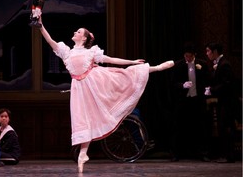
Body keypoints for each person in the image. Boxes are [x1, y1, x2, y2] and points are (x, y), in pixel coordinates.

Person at [38, 17, 174, 173]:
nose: (75, 32)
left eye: (79, 31)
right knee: (83, 119)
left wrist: (132, 61)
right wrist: (41, 25)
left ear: (84, 37)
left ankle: (155, 68)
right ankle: (83, 153)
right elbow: (50, 41)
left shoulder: (91, 52)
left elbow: (111, 59)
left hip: (96, 82)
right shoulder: (67, 53)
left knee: (124, 74)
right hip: (80, 90)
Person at [170, 42, 210, 161]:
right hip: (183, 100)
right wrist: (182, 85)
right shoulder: (178, 65)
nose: (188, 58)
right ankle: (176, 154)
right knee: (178, 127)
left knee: (199, 127)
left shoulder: (202, 64)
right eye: (186, 56)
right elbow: (172, 83)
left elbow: (206, 80)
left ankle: (202, 153)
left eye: (190, 56)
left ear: (194, 55)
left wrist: (207, 90)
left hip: (197, 100)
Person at [204, 42, 236, 163]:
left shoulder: (224, 64)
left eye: (208, 51)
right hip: (223, 101)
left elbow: (226, 84)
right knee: (223, 127)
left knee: (226, 127)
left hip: (228, 102)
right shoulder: (218, 64)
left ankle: (228, 155)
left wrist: (211, 90)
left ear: (215, 51)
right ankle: (226, 155)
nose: (207, 54)